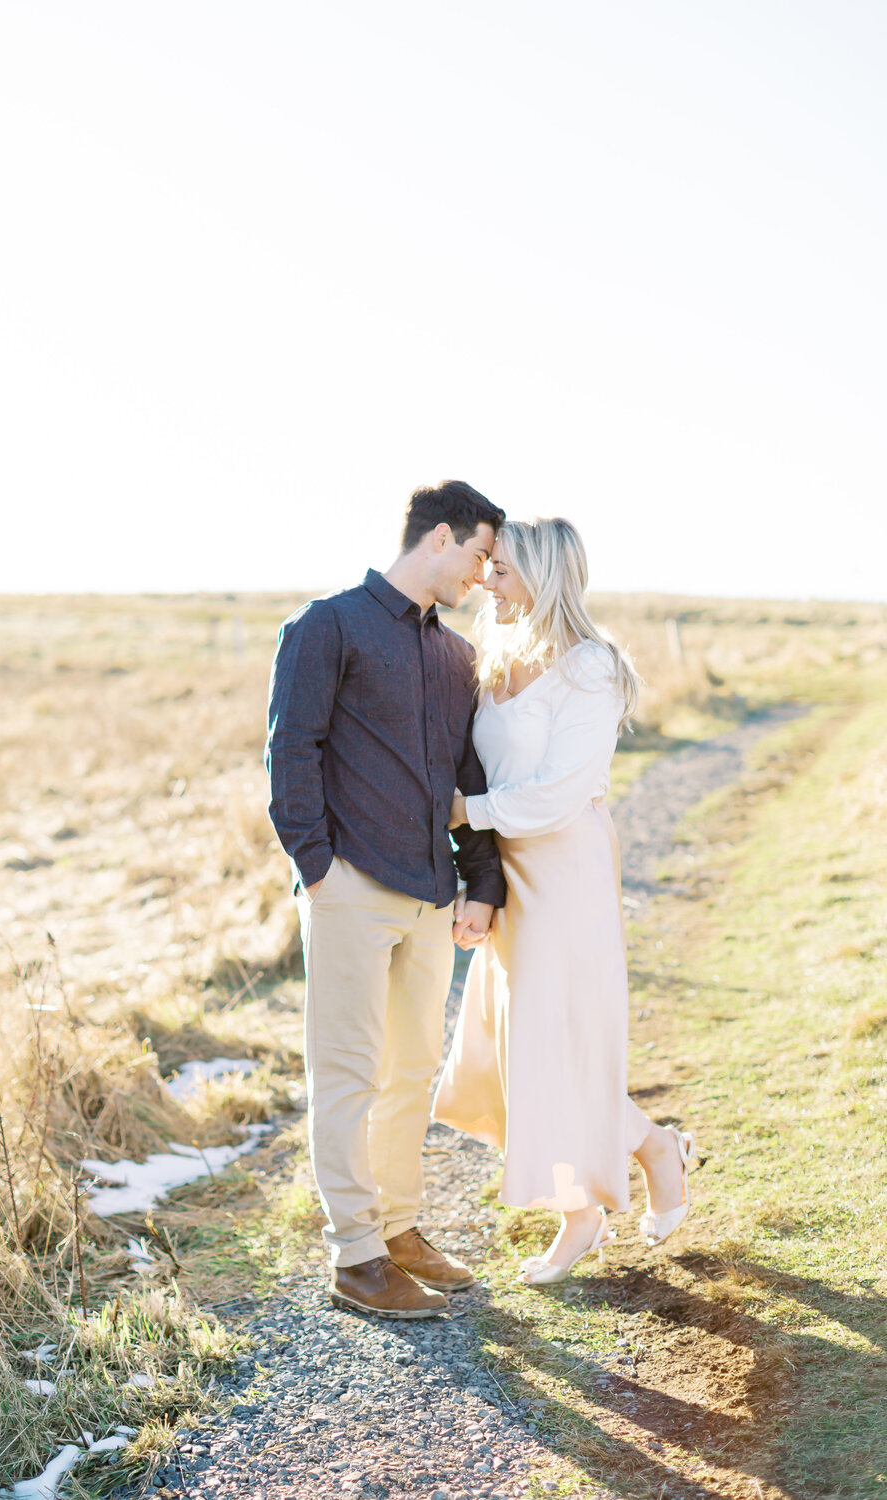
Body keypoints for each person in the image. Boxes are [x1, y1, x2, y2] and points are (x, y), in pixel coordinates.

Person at [265, 480, 507, 1318]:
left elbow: (464, 778)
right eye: (479, 554)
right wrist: (316, 863)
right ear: (439, 538)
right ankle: (356, 1256)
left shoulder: (456, 656)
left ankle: (399, 1229)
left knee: (412, 1068)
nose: (483, 574)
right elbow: (290, 749)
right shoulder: (327, 625)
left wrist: (481, 878)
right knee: (348, 1071)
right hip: (350, 888)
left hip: (430, 893)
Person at [434, 517, 696, 1284]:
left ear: (546, 578)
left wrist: (465, 815)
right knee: (525, 1045)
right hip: (510, 875)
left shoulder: (592, 668)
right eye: (490, 569)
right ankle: (652, 1147)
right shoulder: (494, 658)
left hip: (566, 869)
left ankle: (583, 1214)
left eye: (505, 571)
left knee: (557, 1043)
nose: (487, 581)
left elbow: (558, 792)